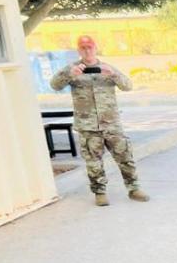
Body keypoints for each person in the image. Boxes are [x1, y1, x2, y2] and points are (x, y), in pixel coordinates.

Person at [49, 35, 148, 206]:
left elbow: (128, 85)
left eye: (90, 47)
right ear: (79, 50)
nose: (87, 50)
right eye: (83, 48)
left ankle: (134, 188)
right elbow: (54, 85)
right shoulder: (72, 69)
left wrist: (114, 74)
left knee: (125, 157)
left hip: (111, 124)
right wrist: (68, 76)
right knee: (93, 162)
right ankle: (100, 193)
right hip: (88, 126)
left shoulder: (107, 68)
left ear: (95, 48)